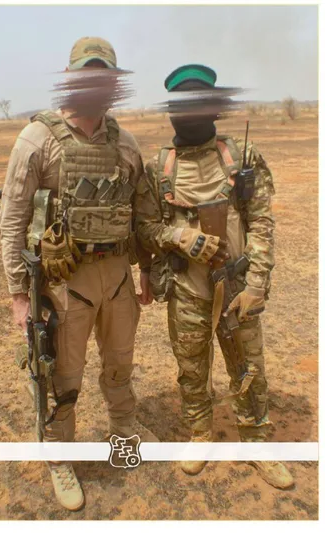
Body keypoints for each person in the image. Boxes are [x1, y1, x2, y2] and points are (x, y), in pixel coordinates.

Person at [0, 36, 157, 512]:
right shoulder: (37, 139)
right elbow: (12, 220)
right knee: (62, 377)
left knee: (119, 366)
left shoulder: (126, 143)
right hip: (65, 285)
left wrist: (146, 269)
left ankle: (122, 435)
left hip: (118, 278)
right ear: (70, 79)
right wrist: (18, 294)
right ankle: (59, 458)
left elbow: (141, 213)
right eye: (87, 74)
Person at [135, 64, 294, 489]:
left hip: (238, 288)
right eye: (181, 105)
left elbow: (261, 223)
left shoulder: (240, 157)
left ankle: (255, 442)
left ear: (214, 108)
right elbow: (145, 228)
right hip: (186, 290)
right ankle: (200, 434)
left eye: (199, 103)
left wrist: (257, 283)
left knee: (248, 367)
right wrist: (180, 237)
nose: (190, 113)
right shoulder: (159, 167)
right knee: (191, 368)